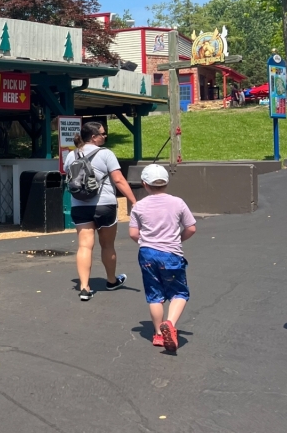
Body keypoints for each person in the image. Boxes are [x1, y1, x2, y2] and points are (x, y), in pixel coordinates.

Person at [64, 120, 138, 301]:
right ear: (94, 137)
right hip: (104, 205)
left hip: (79, 205)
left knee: (84, 246)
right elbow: (119, 180)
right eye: (103, 134)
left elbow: (68, 176)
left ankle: (84, 287)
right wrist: (133, 201)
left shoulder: (71, 155)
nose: (105, 136)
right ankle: (111, 281)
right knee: (107, 245)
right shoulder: (106, 154)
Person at [128, 164, 197, 353]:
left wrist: (146, 243)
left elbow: (134, 233)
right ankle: (170, 323)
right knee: (179, 293)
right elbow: (191, 227)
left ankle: (159, 333)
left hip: (147, 253)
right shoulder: (178, 203)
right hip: (171, 253)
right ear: (166, 182)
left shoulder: (139, 206)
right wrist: (178, 239)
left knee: (154, 295)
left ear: (144, 184)